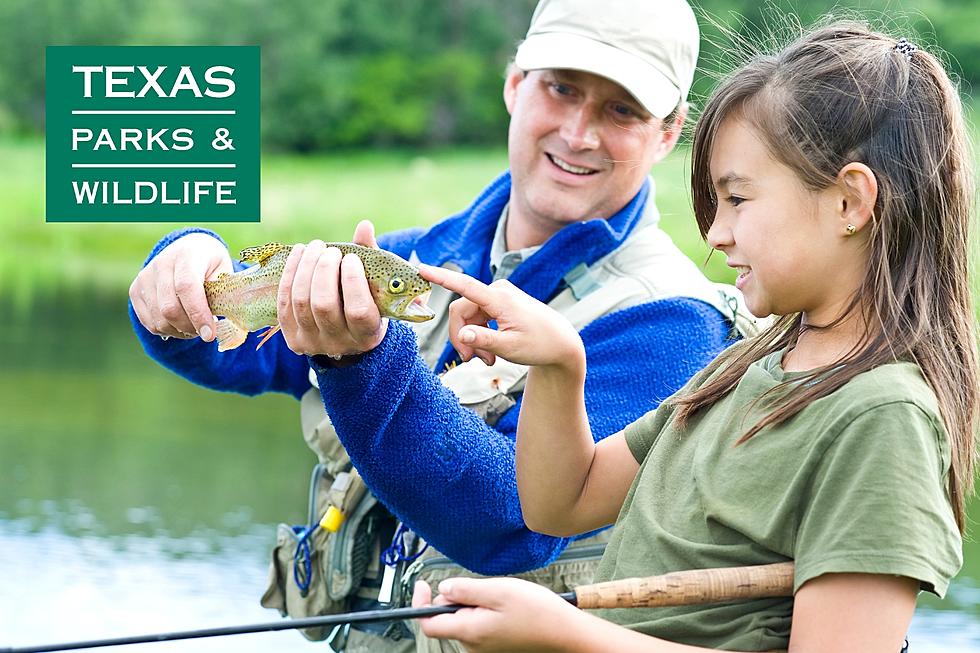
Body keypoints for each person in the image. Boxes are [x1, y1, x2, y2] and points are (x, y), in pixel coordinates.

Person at [129, 0, 758, 650]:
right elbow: (234, 353)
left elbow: (513, 518)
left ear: (668, 131)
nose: (579, 131)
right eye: (562, 87)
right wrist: (179, 273)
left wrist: (362, 361)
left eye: (621, 110)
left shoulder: (674, 322)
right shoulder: (422, 256)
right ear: (515, 84)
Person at [409, 21, 979, 652]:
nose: (716, 235)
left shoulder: (883, 418)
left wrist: (565, 635)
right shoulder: (746, 364)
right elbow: (560, 504)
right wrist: (557, 363)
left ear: (849, 202)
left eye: (737, 199)